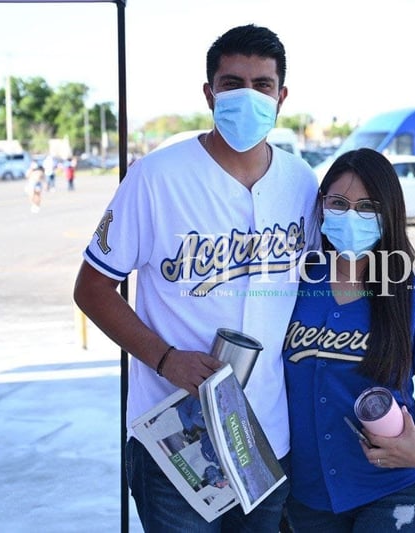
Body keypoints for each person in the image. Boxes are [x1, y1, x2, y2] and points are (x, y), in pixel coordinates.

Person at [72, 24, 319, 533]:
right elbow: (92, 288)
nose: (247, 96)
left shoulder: (301, 180)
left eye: (262, 84)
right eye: (232, 84)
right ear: (209, 93)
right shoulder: (156, 177)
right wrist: (164, 358)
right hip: (175, 437)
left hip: (266, 432)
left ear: (282, 96)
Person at [282, 148, 415, 532]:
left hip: (395, 488)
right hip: (307, 495)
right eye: (339, 203)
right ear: (321, 206)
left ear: (388, 212)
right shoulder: (291, 283)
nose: (351, 216)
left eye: (367, 207)